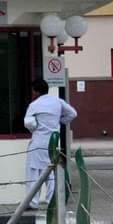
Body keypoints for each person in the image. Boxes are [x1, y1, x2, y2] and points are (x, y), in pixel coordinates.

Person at [23, 78, 78, 208]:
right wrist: (59, 121)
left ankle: (33, 202)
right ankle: (51, 200)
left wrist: (34, 127)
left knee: (33, 172)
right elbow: (73, 114)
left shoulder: (34, 105)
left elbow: (28, 122)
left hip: (38, 142)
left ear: (36, 91)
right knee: (51, 173)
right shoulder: (57, 102)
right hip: (53, 143)